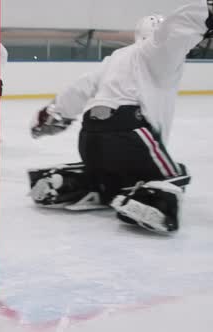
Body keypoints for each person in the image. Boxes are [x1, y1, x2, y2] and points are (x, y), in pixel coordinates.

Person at [28, 0, 212, 234]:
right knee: (175, 174)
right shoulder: (158, 51)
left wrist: (53, 115)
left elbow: (79, 88)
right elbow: (178, 28)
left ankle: (68, 184)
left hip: (90, 135)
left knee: (112, 180)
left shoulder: (115, 58)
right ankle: (151, 203)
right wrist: (205, 11)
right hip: (130, 130)